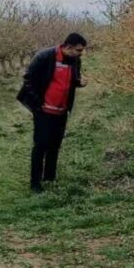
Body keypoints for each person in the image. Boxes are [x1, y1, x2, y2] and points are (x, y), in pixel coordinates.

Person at [16, 33, 88, 191]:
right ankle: (35, 183)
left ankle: (49, 177)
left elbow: (72, 81)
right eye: (78, 50)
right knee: (40, 145)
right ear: (68, 47)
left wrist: (80, 83)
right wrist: (38, 103)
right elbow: (28, 79)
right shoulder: (45, 56)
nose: (81, 53)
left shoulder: (75, 61)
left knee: (55, 145)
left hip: (61, 111)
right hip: (44, 110)